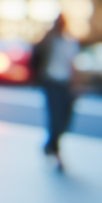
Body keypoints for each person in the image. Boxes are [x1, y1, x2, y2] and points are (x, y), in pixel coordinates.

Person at [30, 15, 78, 171]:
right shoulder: (49, 40)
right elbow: (36, 52)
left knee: (65, 117)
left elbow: (72, 65)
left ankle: (50, 145)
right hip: (51, 82)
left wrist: (76, 84)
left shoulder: (70, 42)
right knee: (55, 117)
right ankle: (54, 149)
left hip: (65, 84)